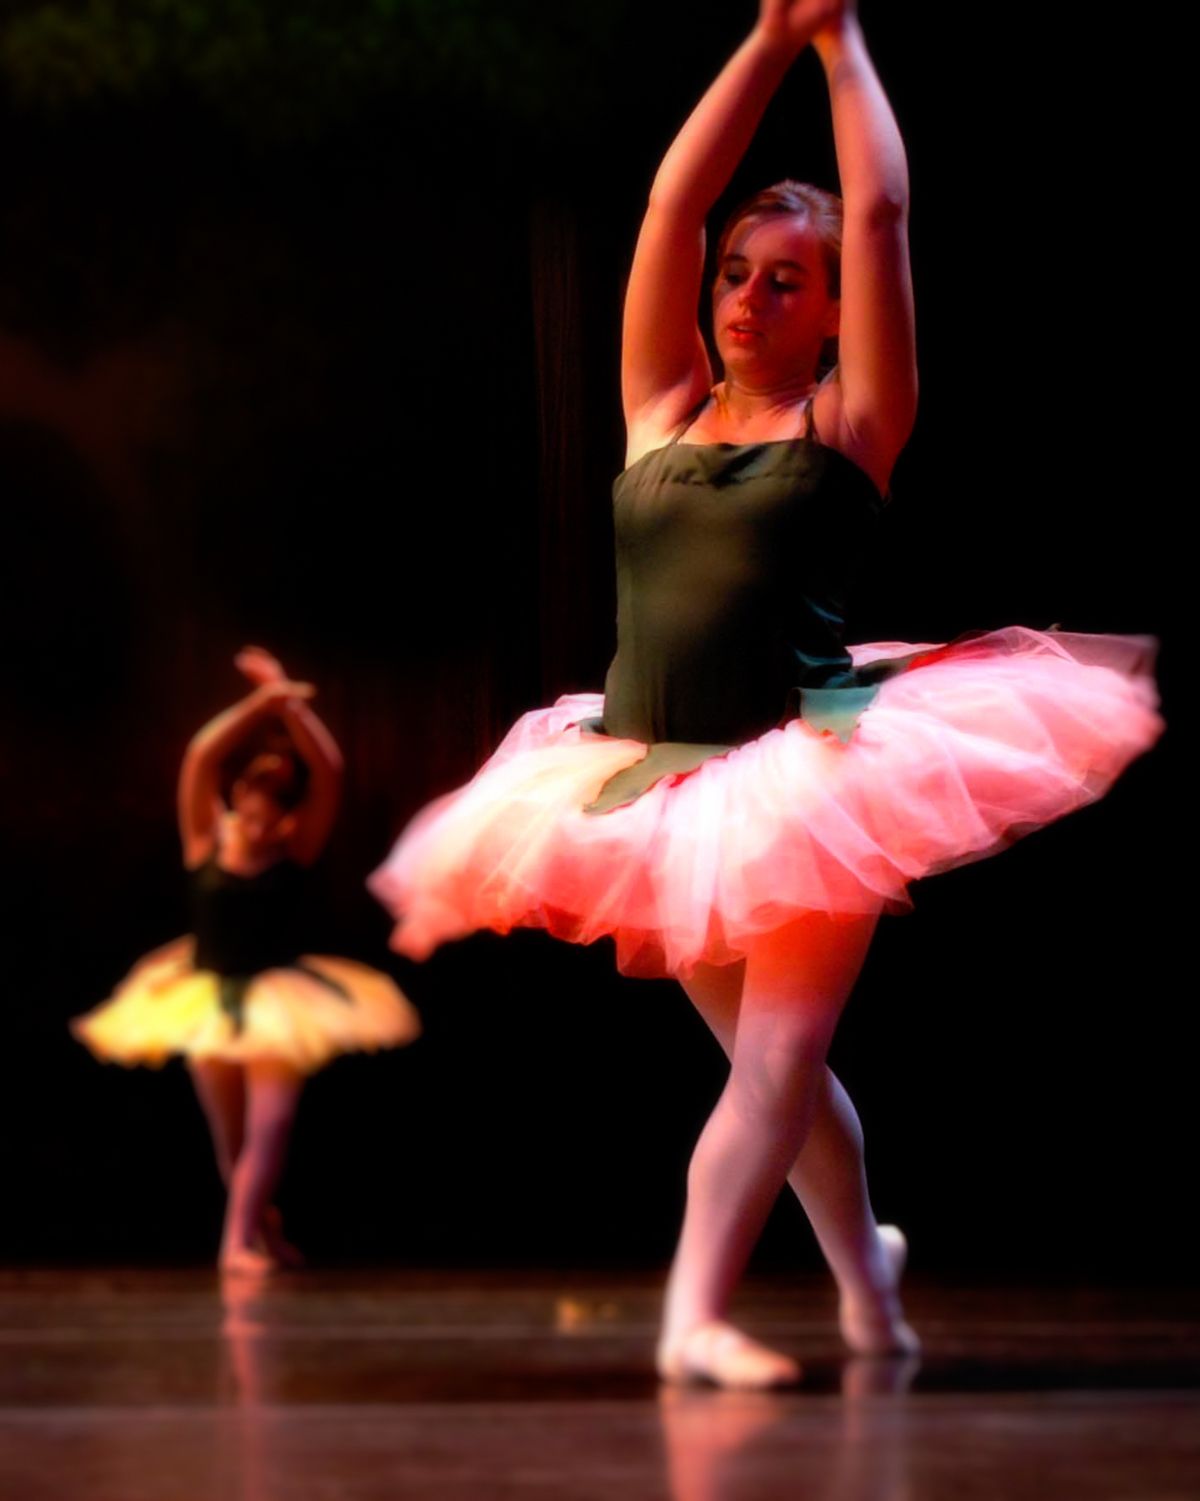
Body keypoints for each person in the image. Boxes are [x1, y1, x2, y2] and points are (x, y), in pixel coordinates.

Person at [370, 0, 1162, 1386]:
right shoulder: (660, 405)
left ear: (836, 309)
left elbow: (886, 211)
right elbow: (672, 205)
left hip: (813, 764)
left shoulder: (851, 424)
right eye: (739, 274)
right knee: (781, 1081)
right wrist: (763, 37)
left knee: (780, 1054)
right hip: (646, 775)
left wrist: (839, 43)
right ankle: (872, 1280)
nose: (747, 297)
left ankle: (693, 1314)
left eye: (787, 280)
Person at [74, 647, 421, 1275]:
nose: (261, 829)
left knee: (274, 1123)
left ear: (287, 816)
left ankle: (233, 1247)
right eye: (254, 815)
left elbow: (331, 770)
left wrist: (292, 706)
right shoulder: (204, 839)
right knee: (232, 1143)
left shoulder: (297, 848)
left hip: (279, 1000)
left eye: (273, 818)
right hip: (206, 996)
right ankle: (263, 1230)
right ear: (237, 799)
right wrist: (261, 703)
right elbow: (201, 755)